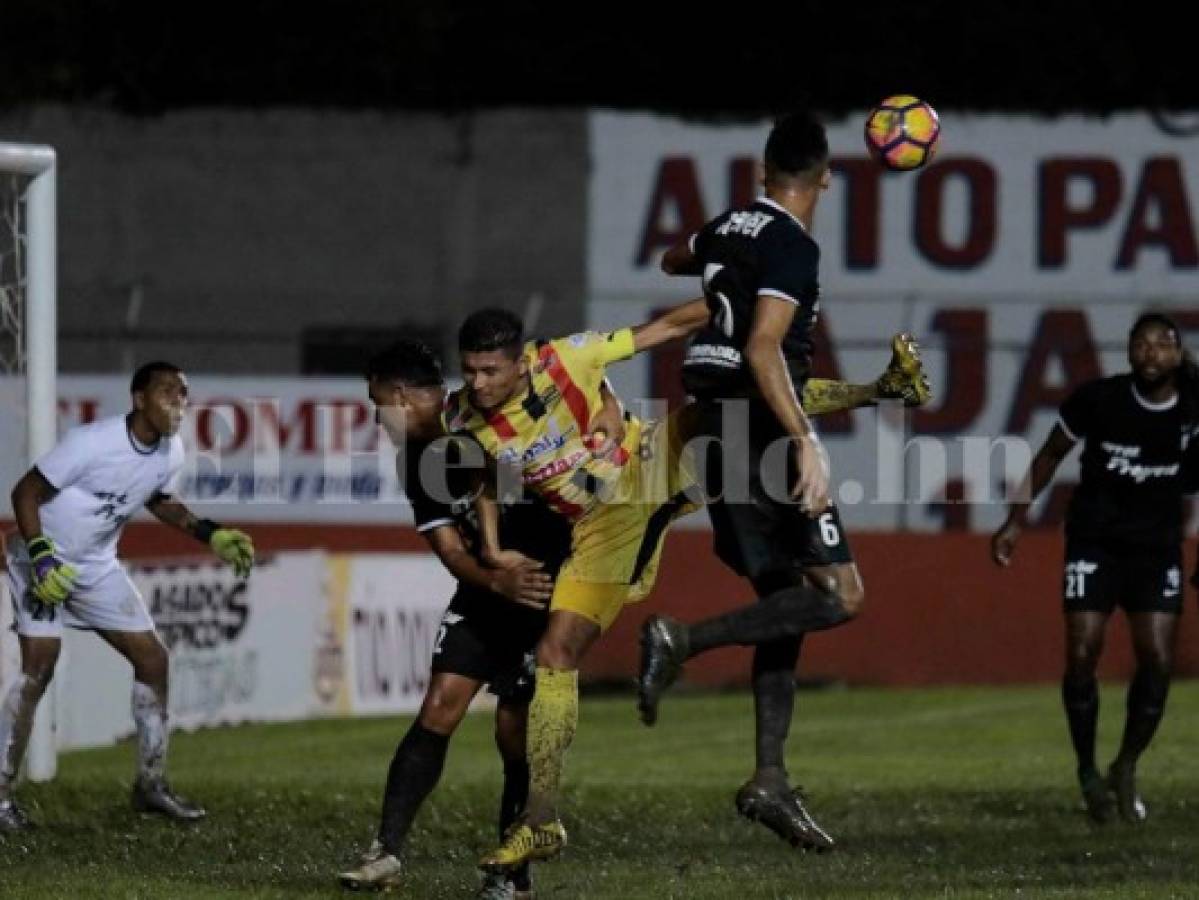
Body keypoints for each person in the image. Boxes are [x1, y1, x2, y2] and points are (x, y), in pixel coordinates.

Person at [446, 296, 929, 872]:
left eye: (488, 371)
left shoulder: (565, 357)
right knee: (556, 652)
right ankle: (543, 820)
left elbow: (667, 326)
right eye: (469, 370)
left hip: (650, 461)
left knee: (725, 406)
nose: (477, 383)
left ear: (519, 363)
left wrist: (740, 296)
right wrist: (494, 547)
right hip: (603, 527)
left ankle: (880, 390)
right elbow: (480, 475)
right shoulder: (464, 415)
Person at [636, 111, 896, 852]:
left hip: (713, 420)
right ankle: (680, 638)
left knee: (786, 600)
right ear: (824, 178)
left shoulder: (731, 224)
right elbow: (762, 347)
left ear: (760, 171)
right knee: (839, 596)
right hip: (756, 425)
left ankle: (768, 780)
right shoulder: (792, 245)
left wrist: (716, 262)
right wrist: (806, 441)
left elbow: (670, 258)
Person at [337, 339, 620, 898]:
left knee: (513, 731)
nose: (377, 418)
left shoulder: (486, 410)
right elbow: (448, 546)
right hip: (489, 589)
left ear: (400, 395)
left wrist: (608, 404)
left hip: (547, 586)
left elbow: (578, 372)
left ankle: (512, 876)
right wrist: (494, 578)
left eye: (377, 404)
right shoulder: (417, 460)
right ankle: (386, 854)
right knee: (440, 705)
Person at [0, 361, 255, 831]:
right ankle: (0, 795)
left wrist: (209, 533)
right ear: (139, 399)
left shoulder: (171, 451)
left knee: (153, 660)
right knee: (40, 666)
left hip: (96, 567)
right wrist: (40, 554)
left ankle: (150, 785)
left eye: (183, 392)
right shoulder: (92, 442)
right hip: (40, 559)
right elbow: (25, 494)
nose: (178, 401)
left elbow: (159, 499)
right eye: (166, 392)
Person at [992, 312, 1199, 824]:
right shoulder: (1099, 400)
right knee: (1083, 653)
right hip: (1095, 542)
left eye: (1162, 345)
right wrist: (1016, 519)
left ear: (1178, 354)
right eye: (1141, 344)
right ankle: (1087, 770)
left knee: (1156, 660)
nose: (1151, 353)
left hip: (1156, 549)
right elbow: (1050, 455)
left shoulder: (1193, 408)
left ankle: (1125, 765)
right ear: (1128, 351)